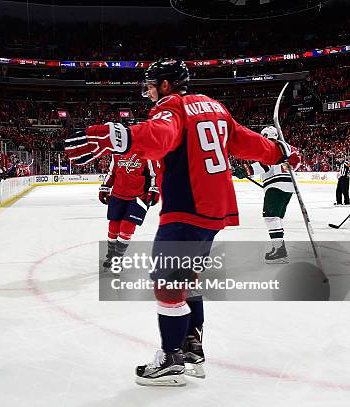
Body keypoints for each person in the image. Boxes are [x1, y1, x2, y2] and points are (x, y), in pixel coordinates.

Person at [65, 58, 300, 386]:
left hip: (188, 205)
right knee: (185, 277)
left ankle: (171, 356)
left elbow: (160, 135)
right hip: (214, 208)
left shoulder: (171, 106)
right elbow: (246, 141)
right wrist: (277, 152)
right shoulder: (213, 106)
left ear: (165, 84)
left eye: (151, 84)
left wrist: (113, 135)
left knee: (167, 281)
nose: (147, 91)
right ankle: (191, 349)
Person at [232, 126, 296, 263]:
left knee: (271, 217)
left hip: (276, 185)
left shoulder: (271, 146)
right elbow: (294, 161)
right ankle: (279, 247)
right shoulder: (286, 147)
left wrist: (246, 170)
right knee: (276, 217)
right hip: (288, 186)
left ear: (266, 135)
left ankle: (280, 250)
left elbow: (265, 164)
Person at [99, 154, 159, 274]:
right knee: (113, 226)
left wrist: (154, 190)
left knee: (127, 227)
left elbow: (155, 174)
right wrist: (105, 187)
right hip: (117, 194)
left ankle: (117, 258)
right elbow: (112, 172)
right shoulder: (117, 151)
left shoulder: (147, 151)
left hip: (138, 197)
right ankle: (111, 255)